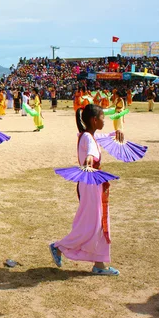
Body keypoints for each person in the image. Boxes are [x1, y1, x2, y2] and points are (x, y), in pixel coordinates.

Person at [49, 104, 123, 276]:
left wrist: (116, 133)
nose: (105, 121)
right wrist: (90, 157)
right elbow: (91, 151)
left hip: (92, 184)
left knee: (99, 223)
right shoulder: (88, 139)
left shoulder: (88, 135)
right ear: (94, 120)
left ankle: (99, 263)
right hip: (90, 185)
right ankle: (59, 246)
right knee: (91, 224)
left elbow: (104, 138)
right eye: (103, 118)